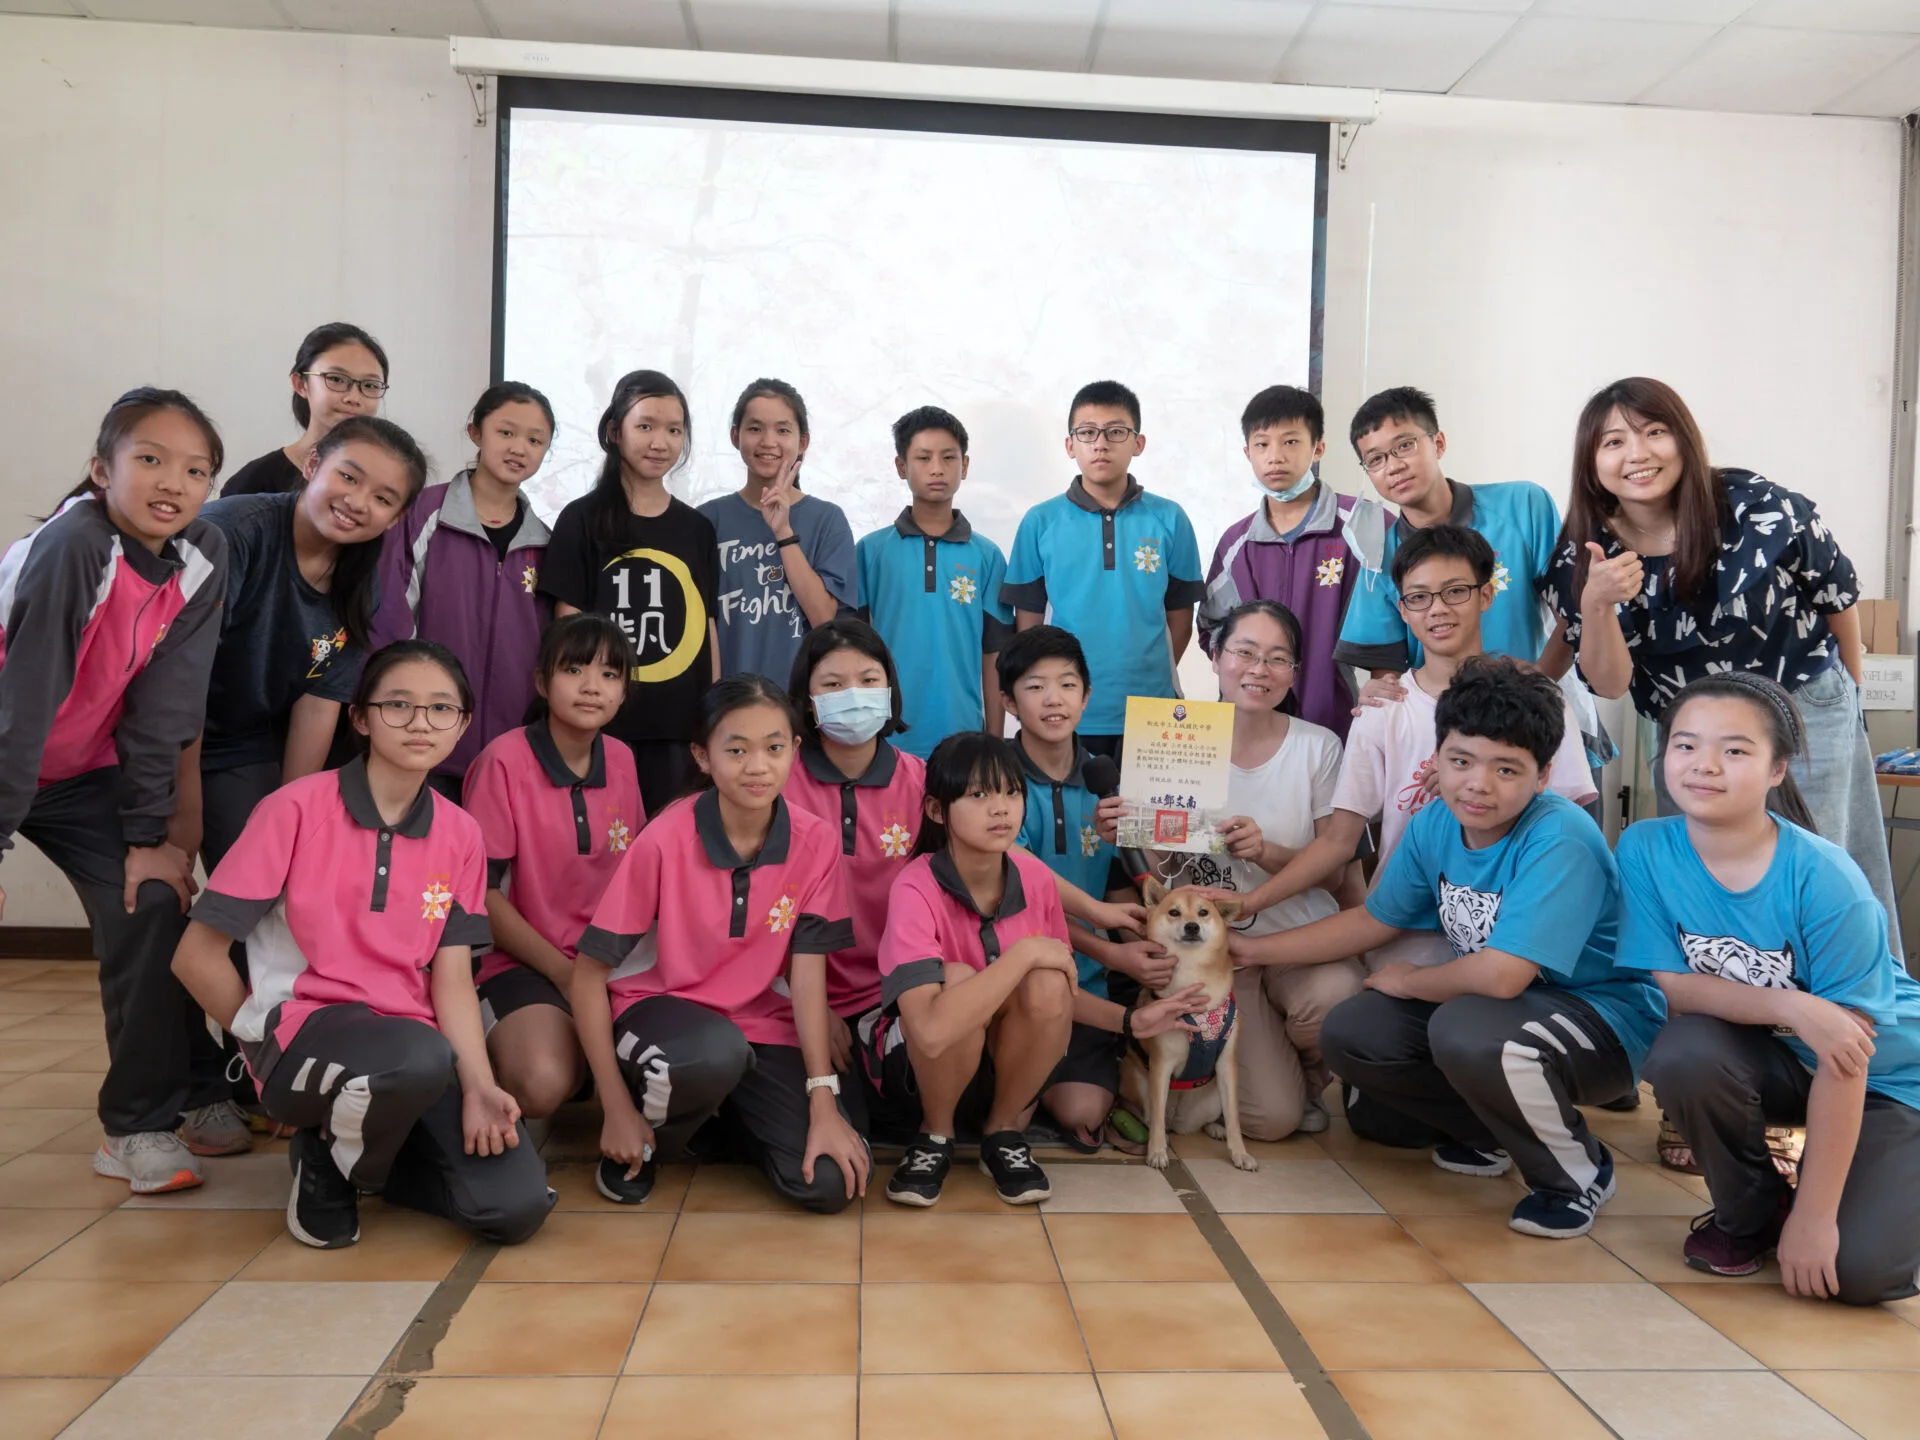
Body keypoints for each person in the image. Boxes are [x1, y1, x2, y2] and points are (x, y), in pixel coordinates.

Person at [1239, 658, 1666, 1239]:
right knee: (1352, 1030)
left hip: (1603, 1023)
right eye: (1461, 761)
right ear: (1436, 759)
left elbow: (1501, 977)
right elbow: (1371, 921)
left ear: (1542, 776)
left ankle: (1577, 1173)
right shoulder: (1436, 823)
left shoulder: (1559, 835)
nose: (1478, 784)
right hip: (1508, 1015)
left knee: (1464, 1026)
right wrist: (1249, 951)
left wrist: (1407, 982)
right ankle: (1490, 1133)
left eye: (1506, 769)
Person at [170, 640, 553, 1248]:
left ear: (463, 724)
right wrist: (258, 1041)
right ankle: (327, 1159)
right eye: (398, 705)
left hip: (413, 1051)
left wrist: (479, 1086)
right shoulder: (294, 809)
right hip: (310, 1031)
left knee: (515, 1208)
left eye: (440, 709)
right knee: (416, 1055)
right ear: (361, 717)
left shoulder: (461, 834)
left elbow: (452, 979)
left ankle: (365, 1162)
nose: (420, 723)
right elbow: (194, 956)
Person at [1546, 376, 1900, 954]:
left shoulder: (1755, 505)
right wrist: (1597, 601)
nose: (1637, 454)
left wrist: (1850, 695)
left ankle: (1857, 1020)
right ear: (1591, 462)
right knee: (1709, 877)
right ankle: (1734, 1017)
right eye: (1613, 442)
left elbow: (1837, 594)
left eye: (1654, 432)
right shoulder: (1584, 549)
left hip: (1802, 707)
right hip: (1689, 735)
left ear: (1683, 439)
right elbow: (1609, 684)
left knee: (1827, 869)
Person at [174, 415, 429, 1155]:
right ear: (313, 462)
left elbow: (316, 715)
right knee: (191, 914)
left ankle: (268, 1065)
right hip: (170, 738)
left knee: (284, 896)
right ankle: (213, 1082)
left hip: (251, 746)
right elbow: (178, 694)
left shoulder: (361, 582)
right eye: (349, 476)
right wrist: (183, 828)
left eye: (383, 497)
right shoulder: (235, 533)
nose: (359, 502)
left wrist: (296, 830)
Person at [1623, 673, 1920, 1302]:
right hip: (1785, 1057)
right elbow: (1675, 987)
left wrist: (1817, 1220)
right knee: (1685, 1052)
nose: (1704, 765)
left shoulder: (1826, 879)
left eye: (1735, 750)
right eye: (1685, 745)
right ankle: (1751, 1215)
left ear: (1778, 768)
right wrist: (1791, 1003)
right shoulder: (1645, 847)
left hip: (1889, 1083)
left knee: (1857, 1274)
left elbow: (1848, 1058)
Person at [0, 389, 228, 1194]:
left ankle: (139, 1124)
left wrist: (146, 835)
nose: (174, 481)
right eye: (151, 459)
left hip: (82, 772)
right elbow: (22, 704)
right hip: (7, 755)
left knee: (156, 899)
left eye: (196, 470)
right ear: (102, 470)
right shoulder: (73, 547)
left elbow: (167, 703)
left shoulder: (204, 555)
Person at [1234, 526, 1597, 978]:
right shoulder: (1382, 709)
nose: (1438, 609)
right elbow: (1337, 841)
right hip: (1400, 935)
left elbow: (1567, 823)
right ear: (1403, 610)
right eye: (1420, 597)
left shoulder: (1537, 700)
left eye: (1455, 592)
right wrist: (1251, 904)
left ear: (1486, 595)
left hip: (1508, 937)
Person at [572, 675, 868, 1212]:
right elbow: (589, 974)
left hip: (759, 1023)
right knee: (712, 1055)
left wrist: (822, 1098)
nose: (757, 766)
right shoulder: (665, 837)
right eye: (736, 750)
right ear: (702, 757)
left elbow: (806, 973)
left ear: (795, 752)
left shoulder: (816, 842)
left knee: (828, 1184)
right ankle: (644, 1145)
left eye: (774, 748)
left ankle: (730, 1118)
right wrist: (613, 1105)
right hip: (662, 1016)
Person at [1118, 600, 1362, 1141]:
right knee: (1271, 1122)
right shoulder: (1176, 738)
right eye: (1244, 652)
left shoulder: (1318, 747)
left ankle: (1309, 1076)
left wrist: (1266, 851)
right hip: (1215, 960)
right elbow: (1163, 876)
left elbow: (1336, 874)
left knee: (1338, 998)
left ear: (1295, 672)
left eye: (1278, 658)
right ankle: (1282, 1082)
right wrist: (1132, 825)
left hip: (1299, 945)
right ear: (1214, 656)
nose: (1259, 669)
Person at [869, 734, 1091, 1205]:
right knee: (956, 979)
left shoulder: (1034, 877)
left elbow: (1063, 992)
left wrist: (1133, 1022)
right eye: (979, 795)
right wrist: (1024, 953)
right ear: (935, 809)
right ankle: (934, 1135)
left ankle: (1004, 1134)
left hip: (1006, 1067)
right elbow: (927, 1033)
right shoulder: (914, 886)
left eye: (1012, 792)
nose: (1001, 809)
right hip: (921, 1069)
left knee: (1049, 982)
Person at [997, 625, 1186, 1152]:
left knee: (1083, 1112)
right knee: (1015, 1095)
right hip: (1017, 976)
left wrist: (1135, 950)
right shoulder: (996, 781)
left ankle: (1066, 1084)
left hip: (1090, 984)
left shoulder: (1111, 779)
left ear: (1087, 695)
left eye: (1067, 684)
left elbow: (1133, 886)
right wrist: (1111, 948)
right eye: (1035, 687)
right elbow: (1026, 890)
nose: (1054, 700)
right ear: (1009, 701)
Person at [461, 614, 644, 1122]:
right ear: (542, 682)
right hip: (527, 964)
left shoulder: (624, 760)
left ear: (625, 691)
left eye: (610, 675)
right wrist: (565, 974)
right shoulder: (503, 761)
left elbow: (639, 881)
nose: (592, 687)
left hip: (611, 963)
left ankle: (587, 1064)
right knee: (541, 1084)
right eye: (575, 670)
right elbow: (483, 895)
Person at [539, 370, 719, 816]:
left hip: (678, 729)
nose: (661, 442)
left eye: (674, 430)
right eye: (646, 426)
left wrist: (714, 714)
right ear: (614, 431)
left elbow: (706, 625)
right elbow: (568, 623)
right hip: (600, 724)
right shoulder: (581, 519)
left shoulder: (697, 528)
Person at [371, 382, 556, 800]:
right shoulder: (423, 513)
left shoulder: (545, 542)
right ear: (476, 432)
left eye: (535, 440)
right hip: (420, 739)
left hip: (509, 754)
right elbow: (387, 615)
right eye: (505, 432)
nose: (519, 448)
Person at [1001, 380, 1205, 759]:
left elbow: (1181, 620)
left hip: (1152, 712)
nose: (1101, 443)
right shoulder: (1040, 521)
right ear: (1070, 445)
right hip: (1066, 713)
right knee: (1074, 817)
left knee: (1144, 819)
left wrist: (1145, 674)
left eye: (1115, 432)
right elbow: (1026, 627)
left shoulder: (1170, 518)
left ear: (1138, 443)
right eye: (1087, 432)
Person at [780, 618, 927, 1129]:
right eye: (832, 684)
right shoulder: (775, 778)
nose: (854, 696)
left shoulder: (921, 781)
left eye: (868, 680)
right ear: (806, 698)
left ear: (890, 687)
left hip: (891, 997)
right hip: (787, 992)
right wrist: (811, 1006)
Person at [1333, 386, 1563, 681]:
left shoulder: (1524, 505)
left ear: (1438, 443)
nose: (1393, 466)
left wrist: (1539, 685)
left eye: (1404, 445)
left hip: (1533, 707)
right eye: (1375, 460)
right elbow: (1386, 672)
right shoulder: (1379, 555)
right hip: (1441, 716)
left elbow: (1573, 618)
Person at [1199, 385, 1360, 740]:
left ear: (1318, 447)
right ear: (1247, 452)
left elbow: (1399, 620)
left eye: (1290, 442)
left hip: (1338, 726)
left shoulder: (1361, 526)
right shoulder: (1234, 544)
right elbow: (1213, 629)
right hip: (1248, 733)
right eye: (1262, 444)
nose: (1275, 457)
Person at [856, 405, 1013, 755]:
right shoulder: (871, 552)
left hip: (963, 736)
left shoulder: (987, 557)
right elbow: (852, 652)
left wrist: (995, 741)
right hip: (885, 739)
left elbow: (994, 656)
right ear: (901, 466)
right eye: (923, 458)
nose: (937, 469)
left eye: (948, 457)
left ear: (965, 466)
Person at [700, 379, 856, 684]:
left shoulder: (827, 520)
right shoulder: (707, 520)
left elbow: (825, 619)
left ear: (803, 442)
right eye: (755, 428)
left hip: (802, 703)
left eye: (783, 430)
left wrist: (783, 531)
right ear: (735, 436)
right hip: (727, 703)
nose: (768, 441)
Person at [222, 322, 390, 497]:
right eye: (336, 379)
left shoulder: (393, 479)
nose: (354, 398)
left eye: (370, 385)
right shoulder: (253, 483)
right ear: (301, 384)